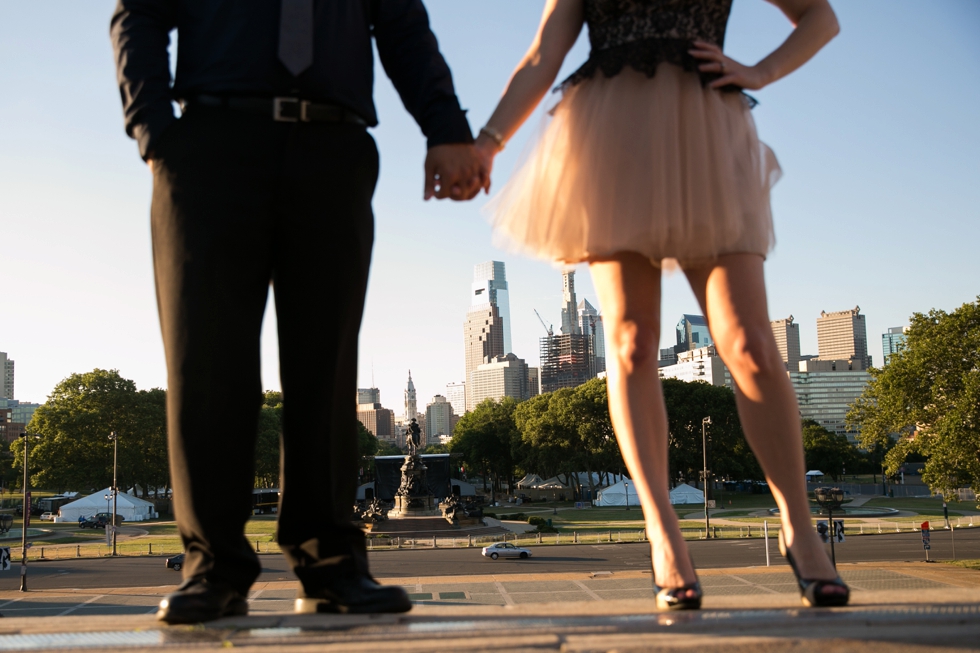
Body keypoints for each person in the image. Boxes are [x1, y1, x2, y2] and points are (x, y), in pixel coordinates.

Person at [111, 0, 484, 624]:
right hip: (208, 147)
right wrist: (152, 128)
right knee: (206, 366)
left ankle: (331, 566)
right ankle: (214, 568)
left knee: (328, 370)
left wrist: (445, 128)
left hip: (333, 148)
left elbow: (400, 24)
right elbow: (139, 11)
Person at [475, 0, 845, 609]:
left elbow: (819, 17)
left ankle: (799, 529)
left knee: (749, 342)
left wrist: (759, 71)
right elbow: (544, 54)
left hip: (706, 127)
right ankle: (663, 532)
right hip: (611, 132)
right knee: (630, 339)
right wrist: (488, 142)